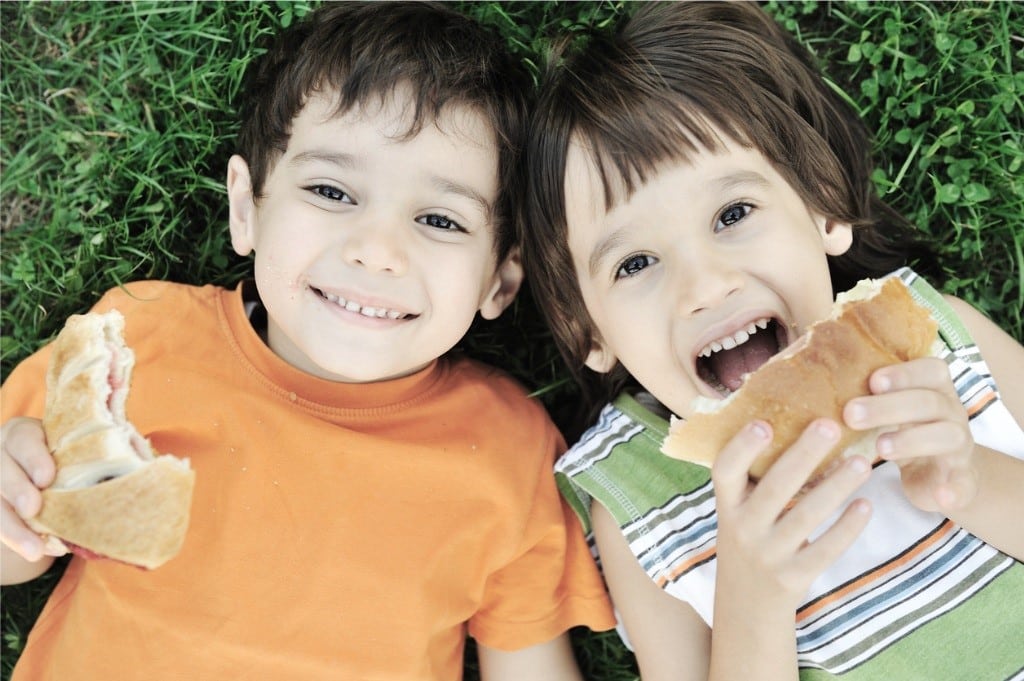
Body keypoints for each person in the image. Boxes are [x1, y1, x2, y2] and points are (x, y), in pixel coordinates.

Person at [0, 4, 615, 679]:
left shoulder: (510, 450)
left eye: (440, 219)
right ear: (246, 208)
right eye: (331, 190)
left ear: (500, 280)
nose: (378, 251)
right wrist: (15, 500)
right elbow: (18, 550)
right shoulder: (137, 342)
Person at [520, 2, 1024, 679]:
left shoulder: (940, 338)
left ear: (822, 209)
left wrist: (972, 479)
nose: (704, 285)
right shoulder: (641, 503)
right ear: (588, 330)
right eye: (635, 263)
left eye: (733, 213)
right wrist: (754, 604)